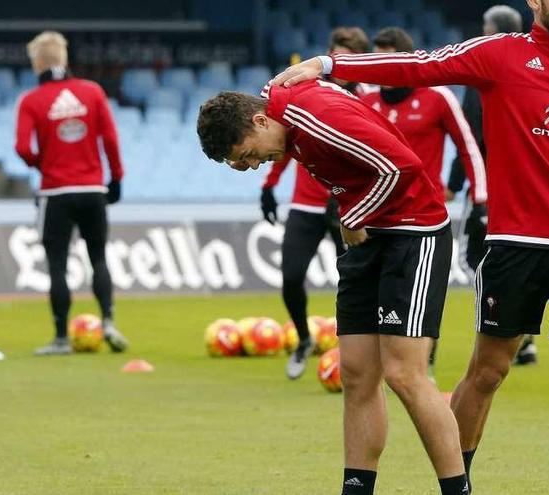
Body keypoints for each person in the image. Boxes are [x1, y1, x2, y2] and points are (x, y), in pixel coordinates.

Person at [268, 0, 549, 493]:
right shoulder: (498, 55)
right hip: (514, 247)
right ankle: (457, 480)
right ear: (534, 2)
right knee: (487, 374)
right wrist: (332, 64)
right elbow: (421, 64)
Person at [196, 83, 469, 495]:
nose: (253, 165)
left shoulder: (313, 116)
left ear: (259, 120)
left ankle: (456, 490)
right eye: (243, 163)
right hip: (365, 238)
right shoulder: (281, 112)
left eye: (248, 154)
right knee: (357, 375)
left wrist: (352, 214)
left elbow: (401, 167)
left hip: (413, 233)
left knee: (404, 375)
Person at [359, 26, 486, 377]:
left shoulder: (438, 97)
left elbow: (468, 145)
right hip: (375, 217)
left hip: (425, 220)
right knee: (376, 297)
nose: (380, 69)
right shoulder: (366, 101)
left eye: (387, 60)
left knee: (424, 298)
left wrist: (480, 198)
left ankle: (423, 362)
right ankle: (377, 364)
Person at [260, 27, 370, 380]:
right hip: (306, 204)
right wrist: (269, 185)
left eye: (349, 57)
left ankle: (358, 351)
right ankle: (304, 340)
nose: (341, 65)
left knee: (355, 280)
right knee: (291, 277)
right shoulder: (308, 92)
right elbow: (282, 139)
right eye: (337, 56)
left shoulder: (367, 98)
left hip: (347, 207)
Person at [15, 31, 128, 356]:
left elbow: (22, 147)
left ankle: (61, 338)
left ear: (37, 63)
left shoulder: (31, 101)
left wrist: (42, 163)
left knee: (57, 264)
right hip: (93, 188)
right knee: (98, 257)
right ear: (64, 59)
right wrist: (116, 178)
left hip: (56, 192)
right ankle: (107, 320)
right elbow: (110, 138)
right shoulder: (91, 92)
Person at [445, 4, 539, 367]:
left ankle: (507, 328)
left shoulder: (483, 73)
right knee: (522, 257)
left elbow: (469, 134)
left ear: (494, 31)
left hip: (488, 186)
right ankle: (524, 336)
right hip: (528, 186)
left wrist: (455, 182)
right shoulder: (535, 72)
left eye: (484, 27)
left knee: (474, 260)